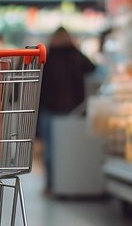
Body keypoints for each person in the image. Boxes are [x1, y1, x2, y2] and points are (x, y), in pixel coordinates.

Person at [38, 27, 96, 193]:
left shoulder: (47, 58)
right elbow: (93, 69)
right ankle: (67, 182)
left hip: (49, 110)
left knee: (49, 150)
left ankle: (50, 184)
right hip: (72, 111)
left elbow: (40, 86)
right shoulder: (76, 56)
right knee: (68, 150)